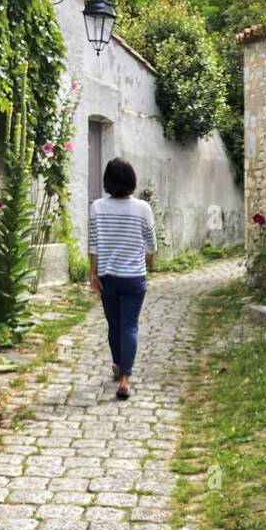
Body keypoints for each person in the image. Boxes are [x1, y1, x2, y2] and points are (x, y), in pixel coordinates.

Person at [88, 157, 156, 400]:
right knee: (130, 326)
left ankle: (118, 364)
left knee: (114, 325)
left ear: (107, 181)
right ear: (132, 180)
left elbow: (94, 244)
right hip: (134, 278)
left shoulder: (97, 207)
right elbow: (151, 243)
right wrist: (148, 261)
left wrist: (93, 274)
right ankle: (125, 379)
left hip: (108, 277)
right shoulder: (143, 208)